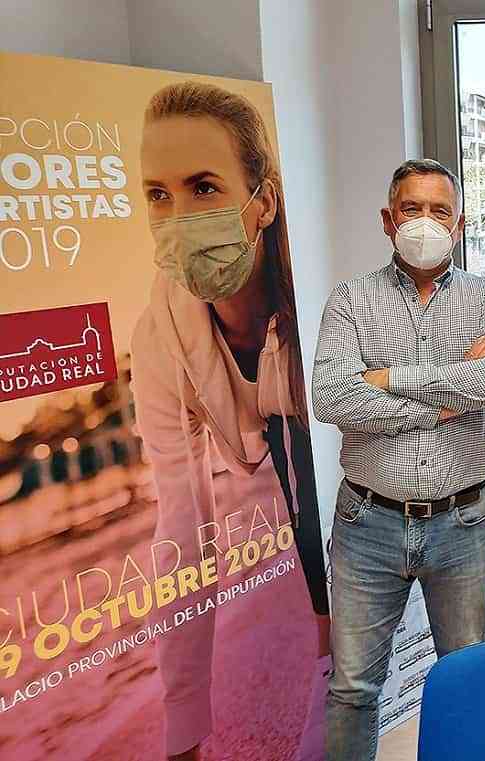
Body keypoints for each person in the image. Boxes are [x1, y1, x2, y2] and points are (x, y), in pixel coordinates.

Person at [130, 81, 328, 761]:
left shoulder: (316, 302)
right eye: (159, 195)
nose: (179, 218)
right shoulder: (160, 338)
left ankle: (331, 663)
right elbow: (183, 529)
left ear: (263, 202)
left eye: (204, 187)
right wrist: (183, 729)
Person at [312, 158, 485, 761]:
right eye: (411, 209)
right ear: (387, 219)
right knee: (353, 687)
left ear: (459, 224)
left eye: (439, 211)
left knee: (466, 682)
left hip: (463, 523)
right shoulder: (351, 299)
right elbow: (331, 398)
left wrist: (389, 378)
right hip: (367, 524)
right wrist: (442, 404)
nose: (425, 222)